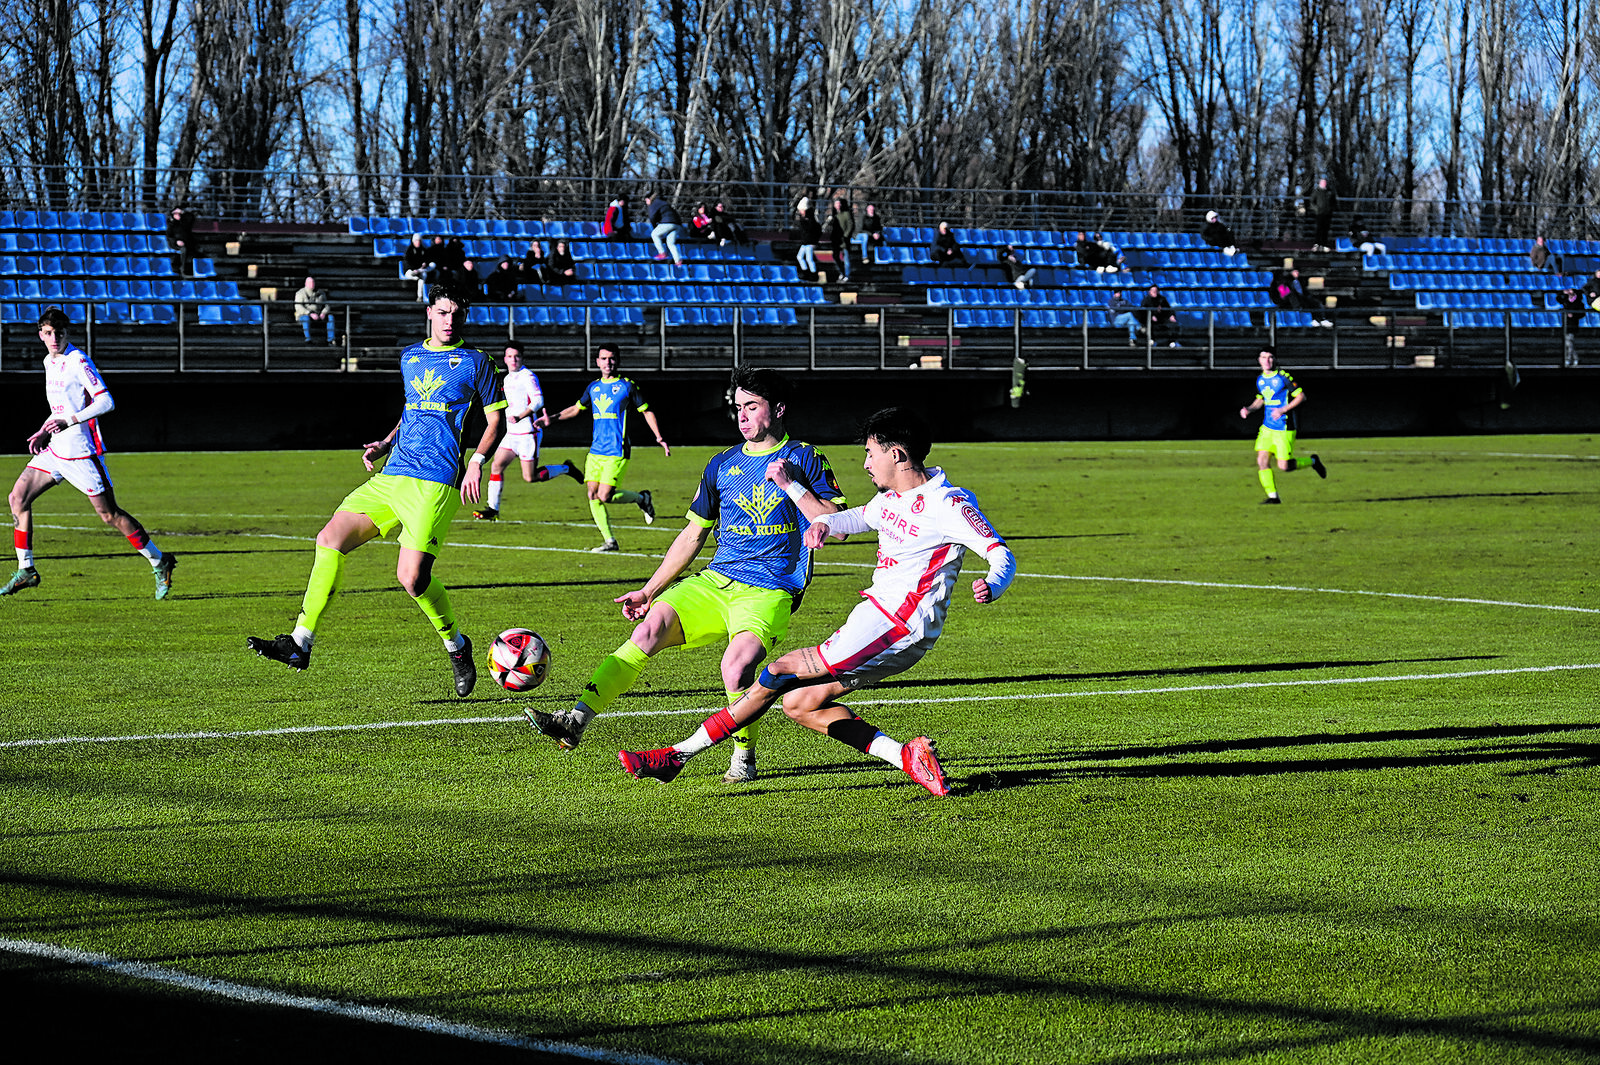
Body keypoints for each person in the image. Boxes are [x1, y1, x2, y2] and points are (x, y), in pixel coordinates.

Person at [617, 406, 1016, 798]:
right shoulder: (892, 499)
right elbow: (855, 518)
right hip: (878, 622)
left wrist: (993, 584)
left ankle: (676, 756)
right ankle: (907, 757)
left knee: (778, 672)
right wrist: (821, 520)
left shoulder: (949, 504)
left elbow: (1000, 554)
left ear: (896, 454)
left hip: (898, 624)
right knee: (801, 703)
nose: (866, 463)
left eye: (870, 453)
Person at [526, 367, 848, 784]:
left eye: (752, 406)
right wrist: (648, 590)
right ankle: (576, 720)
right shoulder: (722, 463)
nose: (742, 416)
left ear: (779, 409)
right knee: (647, 630)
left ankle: (744, 757)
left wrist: (790, 486)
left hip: (771, 589)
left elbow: (835, 522)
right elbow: (694, 533)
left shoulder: (805, 457)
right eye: (738, 408)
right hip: (715, 582)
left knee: (736, 666)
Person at [247, 285, 505, 695]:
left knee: (412, 578)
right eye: (442, 312)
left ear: (465, 315)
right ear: (429, 312)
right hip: (393, 474)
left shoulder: (477, 362)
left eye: (456, 313)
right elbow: (413, 409)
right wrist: (386, 443)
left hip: (436, 480)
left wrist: (476, 461)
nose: (449, 320)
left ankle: (457, 646)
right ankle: (300, 642)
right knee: (329, 539)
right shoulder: (410, 356)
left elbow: (496, 422)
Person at [3, 308, 177, 599]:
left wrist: (67, 422)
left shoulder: (77, 360)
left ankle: (160, 561)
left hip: (82, 452)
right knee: (17, 498)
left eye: (59, 332)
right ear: (40, 335)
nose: (54, 338)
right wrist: (46, 429)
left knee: (109, 514)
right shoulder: (49, 361)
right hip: (55, 449)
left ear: (66, 333)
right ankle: (27, 569)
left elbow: (106, 401)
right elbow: (61, 407)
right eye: (48, 333)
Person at [548, 346, 668, 552]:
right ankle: (610, 542)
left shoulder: (626, 386)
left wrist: (659, 437)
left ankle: (642, 498)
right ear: (597, 362)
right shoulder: (593, 387)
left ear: (617, 361)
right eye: (604, 358)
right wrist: (550, 419)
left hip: (617, 449)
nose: (608, 362)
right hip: (596, 450)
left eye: (611, 359)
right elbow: (576, 408)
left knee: (604, 496)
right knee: (592, 495)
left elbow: (646, 411)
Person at [472, 343, 580, 521]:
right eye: (509, 356)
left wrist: (521, 416)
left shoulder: (527, 376)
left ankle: (566, 468)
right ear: (504, 359)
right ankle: (493, 509)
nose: (513, 360)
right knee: (496, 466)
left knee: (530, 477)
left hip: (528, 433)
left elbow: (538, 401)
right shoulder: (506, 379)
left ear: (522, 358)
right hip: (510, 434)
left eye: (517, 356)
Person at [1238, 346, 1327, 504]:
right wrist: (1249, 409)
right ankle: (1273, 497)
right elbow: (1261, 399)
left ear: (1275, 359)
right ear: (1259, 360)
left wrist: (1283, 409)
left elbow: (1301, 396)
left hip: (1284, 428)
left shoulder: (1283, 377)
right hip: (1267, 427)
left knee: (1284, 466)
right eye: (1264, 357)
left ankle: (1313, 461)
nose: (1267, 360)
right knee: (1262, 461)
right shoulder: (1260, 379)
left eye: (1270, 357)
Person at [1267, 267, 1332, 327]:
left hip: (1300, 298)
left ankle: (1321, 319)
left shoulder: (1299, 281)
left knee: (1316, 303)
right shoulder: (1283, 283)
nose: (1297, 273)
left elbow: (1304, 291)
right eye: (1295, 272)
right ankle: (1314, 319)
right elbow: (1285, 294)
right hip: (1290, 302)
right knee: (1305, 303)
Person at [644, 190, 684, 266]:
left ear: (649, 199)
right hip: (677, 224)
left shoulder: (654, 203)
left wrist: (655, 227)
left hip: (668, 222)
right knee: (670, 243)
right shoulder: (664, 202)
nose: (646, 203)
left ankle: (662, 253)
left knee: (654, 234)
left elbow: (652, 217)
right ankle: (678, 261)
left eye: (646, 201)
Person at [294, 274, 336, 345]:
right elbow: (298, 307)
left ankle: (331, 339)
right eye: (310, 283)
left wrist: (324, 312)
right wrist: (309, 313)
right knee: (305, 319)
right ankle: (308, 339)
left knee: (330, 317)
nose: (312, 284)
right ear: (306, 284)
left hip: (319, 314)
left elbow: (327, 305)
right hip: (304, 315)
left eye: (313, 282)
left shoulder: (321, 293)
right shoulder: (300, 293)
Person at [1557, 284, 1584, 367]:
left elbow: (1582, 314)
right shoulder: (1565, 300)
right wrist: (1562, 292)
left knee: (1569, 342)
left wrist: (1574, 315)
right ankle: (1575, 358)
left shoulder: (1579, 303)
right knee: (1568, 343)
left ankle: (1568, 359)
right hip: (1566, 324)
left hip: (1573, 324)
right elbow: (1558, 298)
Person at [830, 197, 856, 280]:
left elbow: (850, 225)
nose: (837, 205)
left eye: (838, 203)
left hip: (844, 239)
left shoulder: (846, 214)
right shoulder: (834, 215)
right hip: (836, 240)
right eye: (836, 204)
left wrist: (845, 236)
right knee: (836, 256)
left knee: (846, 258)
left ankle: (847, 274)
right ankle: (842, 272)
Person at [165, 206, 196, 276]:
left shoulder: (185, 222)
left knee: (194, 250)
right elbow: (169, 235)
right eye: (176, 213)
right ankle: (181, 269)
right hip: (175, 243)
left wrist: (183, 213)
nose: (178, 215)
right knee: (183, 250)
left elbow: (191, 218)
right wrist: (176, 241)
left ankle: (189, 269)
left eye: (179, 213)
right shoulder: (171, 223)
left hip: (186, 241)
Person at [794, 198, 821, 277]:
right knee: (800, 257)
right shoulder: (806, 221)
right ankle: (806, 272)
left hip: (809, 242)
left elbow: (813, 231)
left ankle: (813, 273)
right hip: (805, 242)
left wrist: (814, 242)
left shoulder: (810, 221)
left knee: (809, 259)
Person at [402, 233, 432, 301]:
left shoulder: (423, 250)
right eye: (416, 241)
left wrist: (425, 264)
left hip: (420, 270)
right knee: (410, 274)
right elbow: (408, 262)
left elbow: (427, 259)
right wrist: (414, 269)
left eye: (419, 241)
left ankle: (420, 296)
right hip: (411, 270)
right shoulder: (409, 251)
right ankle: (416, 276)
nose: (418, 242)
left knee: (423, 277)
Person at [1309, 178, 1337, 251]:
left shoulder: (1330, 192)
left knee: (1326, 229)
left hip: (1328, 213)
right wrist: (1316, 209)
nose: (1324, 184)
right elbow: (1312, 202)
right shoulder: (1316, 191)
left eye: (1325, 183)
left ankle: (1324, 244)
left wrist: (1331, 209)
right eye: (1323, 183)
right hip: (1319, 213)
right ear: (1319, 183)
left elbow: (1334, 201)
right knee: (1319, 229)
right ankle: (1317, 244)